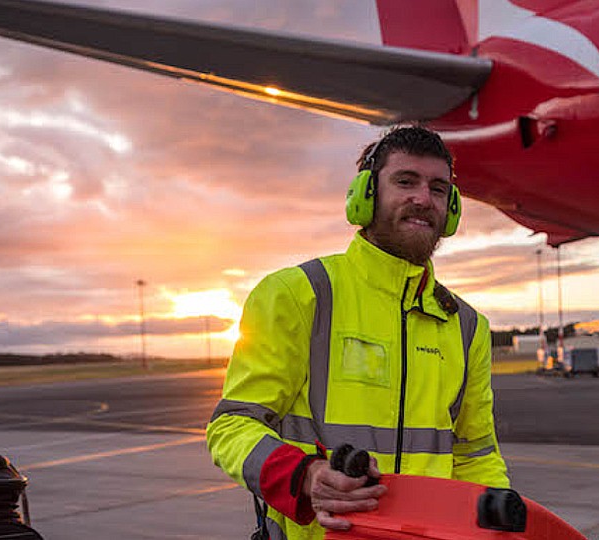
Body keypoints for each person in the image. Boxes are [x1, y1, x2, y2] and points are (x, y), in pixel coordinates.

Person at [207, 125, 509, 540]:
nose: (423, 198)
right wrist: (306, 477)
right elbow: (233, 426)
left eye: (439, 188)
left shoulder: (468, 327)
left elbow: (475, 456)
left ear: (451, 209)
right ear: (367, 195)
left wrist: (498, 525)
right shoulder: (298, 295)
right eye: (405, 181)